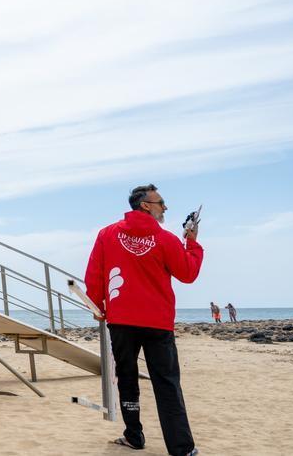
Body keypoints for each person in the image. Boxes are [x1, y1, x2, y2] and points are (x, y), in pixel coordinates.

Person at [85, 183, 203, 456]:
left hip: (122, 320)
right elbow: (187, 273)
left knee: (127, 379)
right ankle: (182, 449)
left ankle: (134, 436)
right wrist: (192, 242)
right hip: (156, 322)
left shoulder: (107, 234)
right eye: (161, 202)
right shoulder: (166, 239)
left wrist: (97, 304)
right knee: (167, 384)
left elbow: (95, 275)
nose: (165, 207)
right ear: (145, 205)